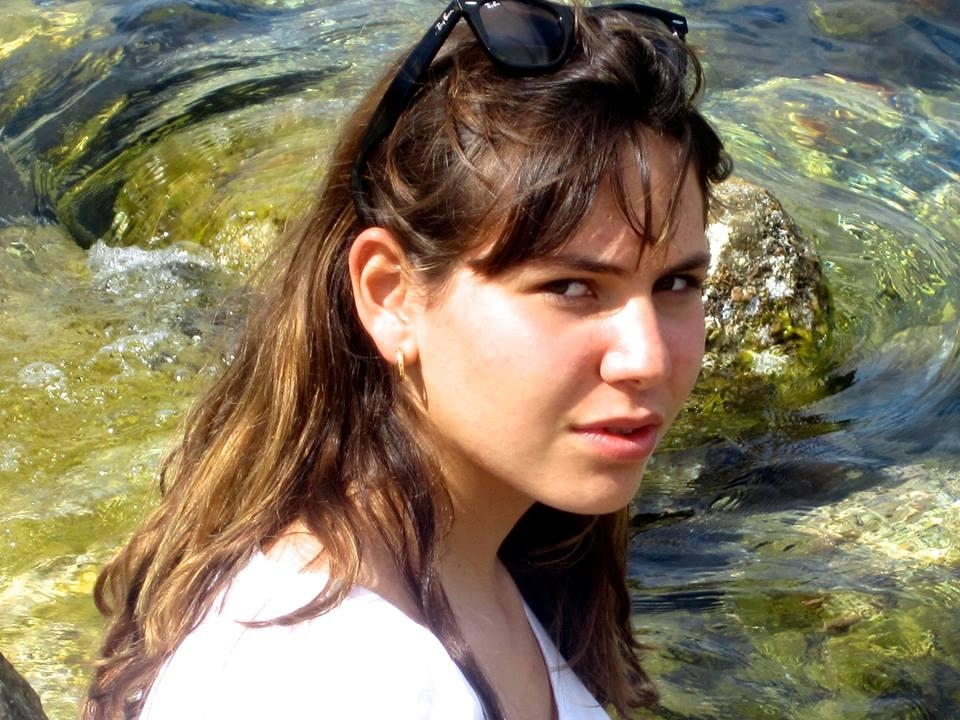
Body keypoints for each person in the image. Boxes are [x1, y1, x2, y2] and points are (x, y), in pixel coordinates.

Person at [83, 1, 731, 718]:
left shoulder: (486, 565)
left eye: (676, 284)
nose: (646, 359)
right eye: (571, 287)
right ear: (390, 296)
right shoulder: (315, 679)